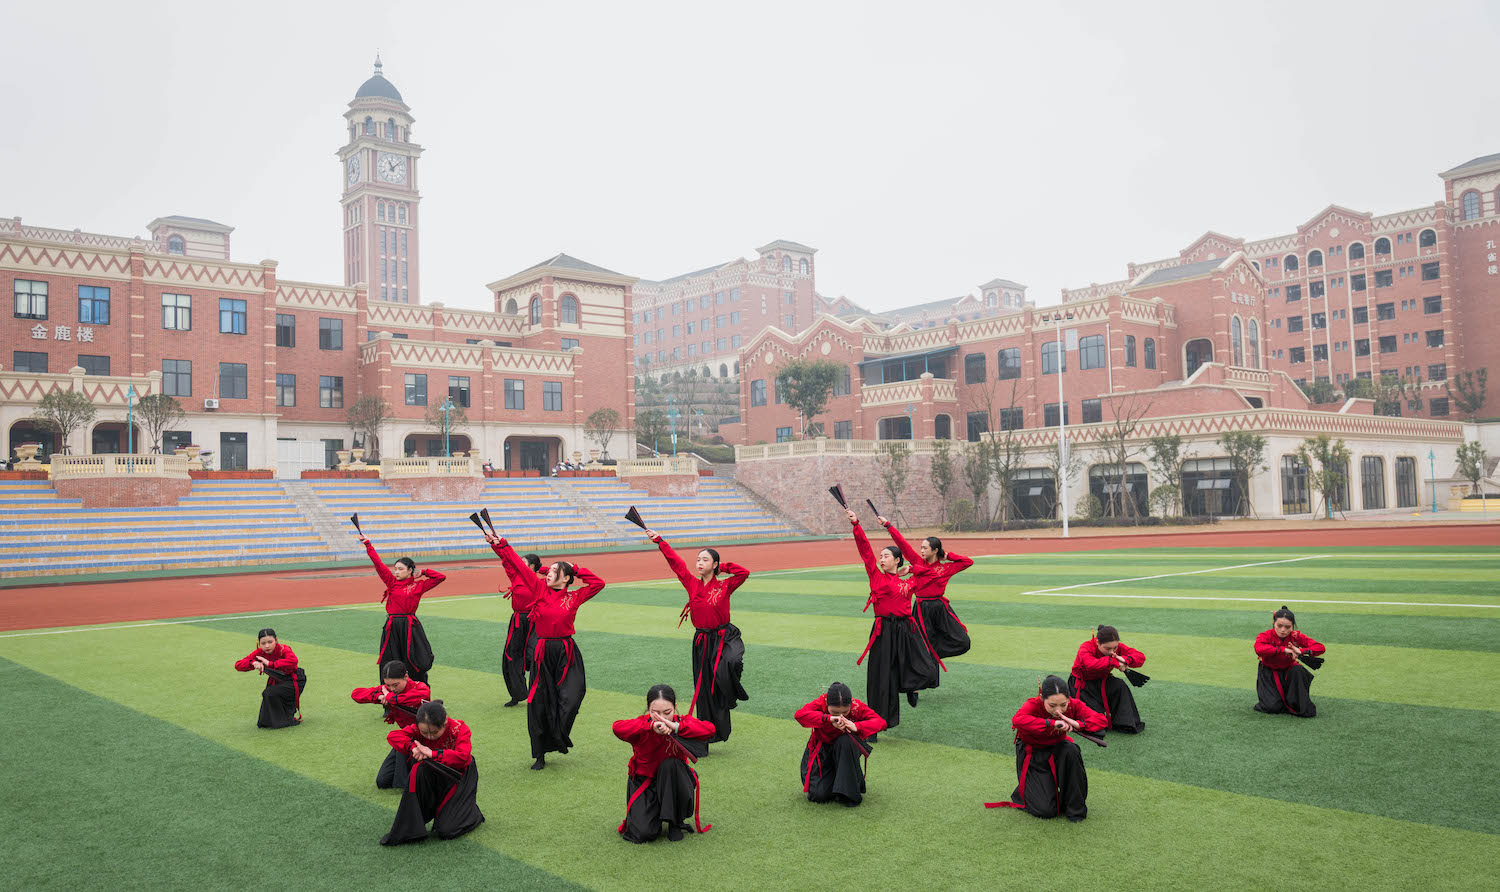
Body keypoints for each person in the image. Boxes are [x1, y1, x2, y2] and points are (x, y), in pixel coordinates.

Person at [491, 534, 606, 769]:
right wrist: (500, 544)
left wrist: (574, 567)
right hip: (543, 651)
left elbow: (598, 583)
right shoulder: (538, 589)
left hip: (567, 650)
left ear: (565, 578)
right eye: (548, 569)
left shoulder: (575, 596)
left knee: (573, 695)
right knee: (540, 701)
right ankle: (540, 754)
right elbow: (517, 565)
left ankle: (558, 736)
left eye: (554, 570)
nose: (547, 572)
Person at [645, 530, 750, 746]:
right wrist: (661, 542)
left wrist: (724, 567)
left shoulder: (725, 585)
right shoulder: (692, 584)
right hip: (702, 641)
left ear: (714, 564)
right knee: (704, 689)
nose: (699, 563)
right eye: (698, 559)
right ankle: (704, 733)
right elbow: (676, 564)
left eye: (705, 559)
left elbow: (743, 573)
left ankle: (732, 691)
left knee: (730, 664)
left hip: (725, 636)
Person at [846, 507, 939, 730]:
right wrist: (856, 525)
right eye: (881, 556)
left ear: (897, 560)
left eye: (886, 556)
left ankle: (910, 687)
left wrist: (912, 569)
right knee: (880, 679)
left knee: (927, 668)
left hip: (907, 630)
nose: (881, 559)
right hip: (884, 631)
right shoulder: (876, 577)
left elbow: (930, 571)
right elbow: (865, 551)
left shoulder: (910, 581)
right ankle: (875, 725)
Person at [988, 675, 1107, 822]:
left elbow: (1101, 720)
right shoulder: (1033, 704)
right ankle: (1025, 792)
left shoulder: (1074, 705)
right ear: (1042, 698)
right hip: (1033, 753)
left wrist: (1078, 724)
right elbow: (1018, 719)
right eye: (1052, 705)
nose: (1059, 710)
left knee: (1072, 750)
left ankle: (1074, 807)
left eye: (1063, 705)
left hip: (1058, 748)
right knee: (1046, 811)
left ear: (1069, 699)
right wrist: (1051, 723)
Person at [613, 684, 716, 843]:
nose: (662, 717)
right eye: (655, 713)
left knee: (671, 765)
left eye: (667, 712)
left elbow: (709, 730)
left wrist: (676, 727)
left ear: (675, 707)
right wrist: (650, 726)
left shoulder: (681, 723)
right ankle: (654, 816)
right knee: (643, 834)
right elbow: (617, 728)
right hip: (645, 783)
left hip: (674, 781)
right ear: (647, 708)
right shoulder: (643, 724)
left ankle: (675, 822)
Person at [877, 516, 974, 673]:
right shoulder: (916, 561)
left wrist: (947, 555)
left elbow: (967, 562)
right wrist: (888, 525)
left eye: (925, 548)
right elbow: (902, 543)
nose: (921, 551)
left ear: (935, 550)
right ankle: (925, 674)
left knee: (963, 641)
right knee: (923, 642)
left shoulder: (945, 568)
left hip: (941, 607)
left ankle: (932, 653)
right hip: (922, 608)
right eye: (921, 548)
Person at [380, 701, 485, 846]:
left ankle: (473, 813)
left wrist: (432, 753)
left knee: (446, 830)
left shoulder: (459, 728)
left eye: (434, 732)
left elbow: (463, 757)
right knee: (419, 770)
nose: (429, 737)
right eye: (424, 733)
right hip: (433, 772)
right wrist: (413, 747)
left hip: (459, 775)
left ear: (445, 722)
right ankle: (417, 823)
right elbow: (393, 736)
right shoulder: (417, 729)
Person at [359, 534, 446, 684]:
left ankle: (416, 689)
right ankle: (388, 692)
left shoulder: (419, 586)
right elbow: (378, 563)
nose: (396, 572)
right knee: (389, 658)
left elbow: (440, 577)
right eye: (395, 569)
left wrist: (424, 572)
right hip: (392, 626)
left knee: (413, 659)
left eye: (400, 569)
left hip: (410, 626)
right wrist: (368, 544)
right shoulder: (391, 582)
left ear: (410, 570)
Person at [794, 682, 886, 807]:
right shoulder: (820, 703)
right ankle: (838, 780)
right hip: (823, 749)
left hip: (846, 749)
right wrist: (828, 718)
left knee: (845, 741)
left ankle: (848, 791)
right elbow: (800, 715)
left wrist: (856, 726)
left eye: (845, 711)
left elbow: (880, 722)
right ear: (827, 704)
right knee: (818, 795)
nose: (841, 716)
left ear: (850, 705)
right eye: (835, 712)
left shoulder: (857, 706)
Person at [351, 660, 432, 789]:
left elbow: (415, 696)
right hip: (406, 737)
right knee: (383, 781)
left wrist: (389, 698)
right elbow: (356, 694)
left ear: (406, 677)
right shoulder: (388, 690)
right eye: (388, 685)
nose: (393, 689)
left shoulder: (420, 687)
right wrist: (379, 696)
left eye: (395, 685)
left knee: (408, 783)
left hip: (427, 739)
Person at [486, 533, 542, 707]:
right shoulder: (515, 576)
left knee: (535, 657)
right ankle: (517, 694)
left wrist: (502, 543)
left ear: (532, 567)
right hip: (518, 620)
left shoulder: (536, 581)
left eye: (523, 563)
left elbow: (512, 559)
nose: (519, 565)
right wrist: (496, 545)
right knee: (511, 657)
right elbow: (507, 560)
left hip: (535, 621)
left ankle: (538, 694)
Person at [1069, 625, 1147, 734]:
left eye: (1115, 648)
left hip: (1103, 680)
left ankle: (1124, 723)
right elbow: (1090, 664)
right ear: (1097, 643)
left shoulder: (1118, 647)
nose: (1112, 651)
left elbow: (1140, 657)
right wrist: (1115, 661)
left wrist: (1125, 660)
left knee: (1120, 686)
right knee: (1096, 724)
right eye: (1107, 648)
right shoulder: (1086, 647)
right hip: (1083, 685)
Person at [1254, 606, 1326, 717]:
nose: (1283, 630)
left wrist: (1302, 650)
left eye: (1288, 627)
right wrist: (1282, 649)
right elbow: (1258, 648)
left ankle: (1291, 699)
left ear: (1292, 626)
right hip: (1269, 673)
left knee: (1298, 670)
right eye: (1279, 626)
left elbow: (1320, 647)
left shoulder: (1296, 636)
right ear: (1273, 622)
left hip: (1289, 672)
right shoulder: (1265, 635)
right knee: (1271, 707)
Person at [233, 627, 305, 728]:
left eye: (270, 642)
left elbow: (293, 661)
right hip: (278, 680)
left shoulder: (283, 649)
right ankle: (276, 720)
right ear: (258, 643)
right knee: (264, 717)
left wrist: (270, 663)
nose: (267, 646)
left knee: (269, 692)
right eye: (263, 643)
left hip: (294, 680)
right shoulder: (259, 653)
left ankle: (286, 720)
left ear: (276, 640)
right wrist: (253, 663)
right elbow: (238, 665)